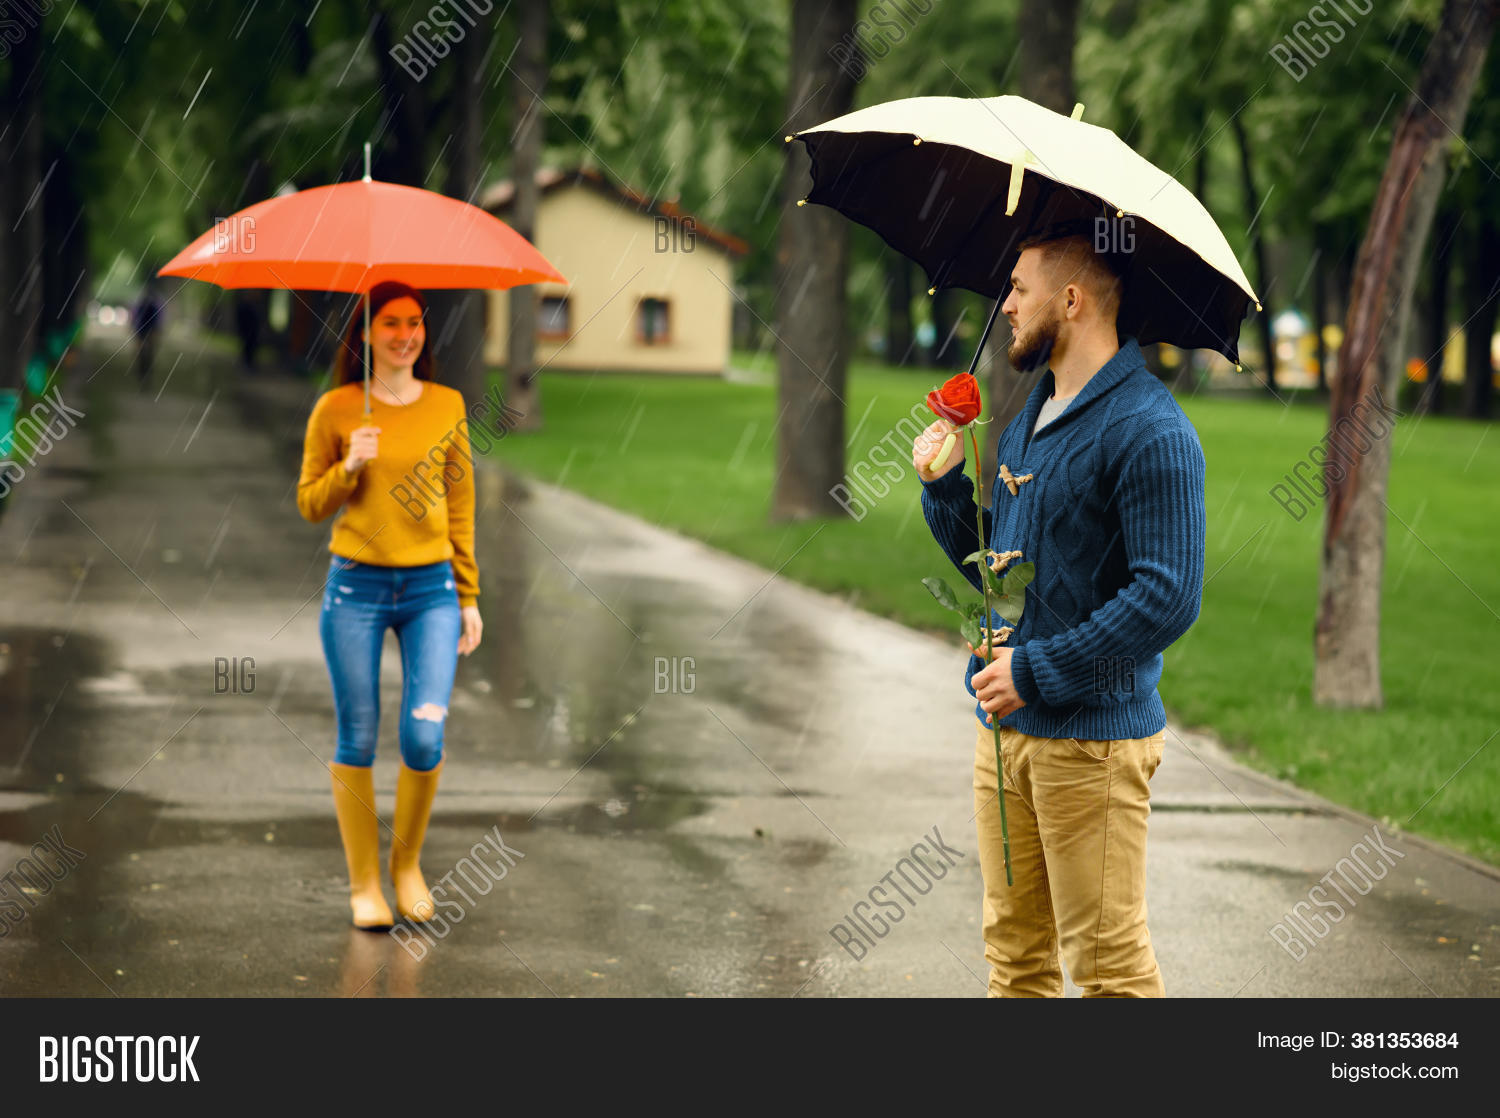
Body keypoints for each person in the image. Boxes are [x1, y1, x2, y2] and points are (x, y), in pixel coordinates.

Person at [911, 222, 1206, 997]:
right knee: (1015, 958)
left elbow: (1167, 596)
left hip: (1091, 748)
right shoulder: (1030, 419)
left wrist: (1036, 670)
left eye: (1018, 288)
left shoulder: (1150, 430)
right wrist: (946, 489)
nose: (1006, 304)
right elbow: (1003, 575)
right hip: (1005, 734)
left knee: (1107, 970)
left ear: (1070, 300)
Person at [297, 280, 484, 930]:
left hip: (432, 590)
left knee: (423, 736)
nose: (404, 334)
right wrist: (350, 466)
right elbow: (309, 503)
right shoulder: (337, 409)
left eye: (414, 323)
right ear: (367, 334)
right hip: (356, 588)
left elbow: (460, 505)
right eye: (390, 323)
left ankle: (407, 868)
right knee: (357, 735)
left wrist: (468, 595)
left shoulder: (448, 406)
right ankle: (365, 886)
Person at [131, 285, 163, 390]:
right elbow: (158, 320)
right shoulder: (155, 305)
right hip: (150, 332)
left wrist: (135, 331)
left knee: (142, 354)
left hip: (142, 331)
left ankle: (142, 373)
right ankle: (147, 374)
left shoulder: (140, 304)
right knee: (149, 354)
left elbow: (135, 319)